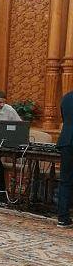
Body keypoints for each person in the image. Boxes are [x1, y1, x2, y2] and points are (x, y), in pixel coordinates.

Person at [57, 91, 73, 227]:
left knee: (65, 180)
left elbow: (64, 118)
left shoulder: (67, 97)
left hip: (66, 141)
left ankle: (63, 218)